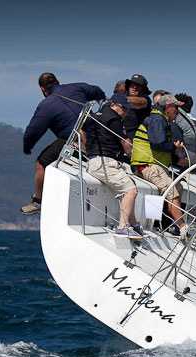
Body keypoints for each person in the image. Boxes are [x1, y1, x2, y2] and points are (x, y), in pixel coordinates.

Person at [21, 72, 105, 215]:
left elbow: (33, 131)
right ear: (58, 81)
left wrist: (27, 147)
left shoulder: (46, 105)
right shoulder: (77, 87)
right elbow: (95, 90)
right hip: (96, 135)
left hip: (72, 140)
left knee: (41, 163)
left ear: (42, 89)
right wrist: (101, 97)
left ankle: (38, 202)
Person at [84, 93, 145, 240]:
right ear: (113, 105)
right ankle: (122, 228)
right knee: (131, 191)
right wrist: (129, 145)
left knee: (127, 189)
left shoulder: (94, 116)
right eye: (124, 109)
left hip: (93, 160)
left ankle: (134, 225)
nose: (125, 113)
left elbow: (82, 132)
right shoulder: (113, 119)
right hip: (105, 163)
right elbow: (126, 147)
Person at [130, 94, 187, 239]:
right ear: (167, 108)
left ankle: (169, 223)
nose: (178, 112)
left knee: (178, 188)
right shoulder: (158, 119)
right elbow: (157, 144)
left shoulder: (159, 119)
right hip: (146, 165)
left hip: (151, 165)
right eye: (176, 108)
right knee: (172, 190)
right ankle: (183, 227)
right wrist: (174, 148)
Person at [122, 74, 152, 141]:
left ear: (143, 89)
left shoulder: (146, 99)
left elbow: (141, 102)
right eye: (132, 84)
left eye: (138, 85)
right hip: (119, 141)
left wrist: (123, 99)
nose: (134, 87)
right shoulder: (120, 100)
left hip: (136, 142)